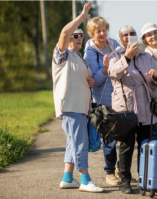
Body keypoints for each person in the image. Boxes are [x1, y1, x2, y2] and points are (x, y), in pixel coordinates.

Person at [52, 2, 104, 193]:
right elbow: (65, 34)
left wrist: (91, 81)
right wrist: (82, 17)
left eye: (81, 35)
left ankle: (67, 178)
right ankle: (85, 179)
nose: (78, 37)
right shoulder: (62, 56)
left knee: (72, 142)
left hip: (81, 107)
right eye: (76, 35)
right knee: (79, 142)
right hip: (71, 106)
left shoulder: (80, 58)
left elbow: (86, 79)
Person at [106, 25, 157, 194]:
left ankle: (143, 178)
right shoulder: (114, 55)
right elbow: (113, 73)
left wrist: (156, 76)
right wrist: (127, 57)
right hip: (125, 109)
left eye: (132, 34)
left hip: (145, 106)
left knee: (145, 145)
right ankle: (125, 181)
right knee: (126, 146)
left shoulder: (146, 56)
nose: (129, 37)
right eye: (125, 35)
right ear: (120, 38)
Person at [84, 16, 137, 186]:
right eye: (98, 31)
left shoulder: (114, 43)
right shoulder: (90, 51)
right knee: (109, 139)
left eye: (104, 30)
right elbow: (94, 80)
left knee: (124, 137)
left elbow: (125, 64)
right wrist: (106, 69)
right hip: (104, 100)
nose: (102, 33)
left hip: (121, 99)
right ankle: (109, 172)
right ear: (92, 33)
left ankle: (121, 171)